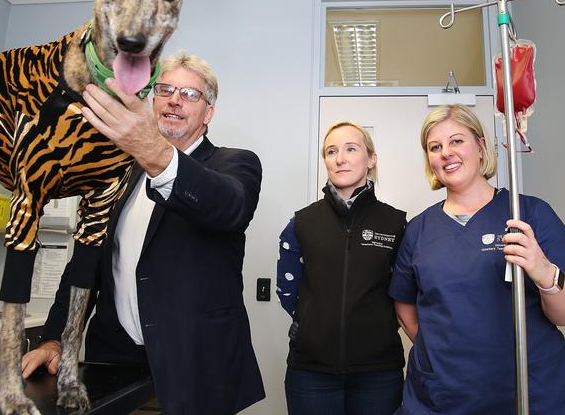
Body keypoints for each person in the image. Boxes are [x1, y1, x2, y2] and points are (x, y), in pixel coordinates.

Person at [22, 51, 266, 414]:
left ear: (208, 113)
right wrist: (56, 337)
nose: (174, 100)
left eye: (190, 94)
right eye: (165, 89)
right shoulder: (115, 176)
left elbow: (229, 207)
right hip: (117, 361)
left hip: (196, 363)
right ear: (153, 101)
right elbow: (84, 266)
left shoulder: (235, 163)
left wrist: (155, 152)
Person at [389, 104, 565, 414]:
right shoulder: (418, 230)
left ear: (481, 147)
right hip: (443, 398)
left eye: (457, 141)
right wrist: (448, 357)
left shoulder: (529, 214)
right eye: (435, 146)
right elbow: (406, 312)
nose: (446, 152)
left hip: (529, 394)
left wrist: (543, 270)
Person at [276, 121, 407, 415]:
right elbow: (287, 291)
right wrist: (313, 326)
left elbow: (405, 291)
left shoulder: (396, 223)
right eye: (331, 151)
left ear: (371, 159)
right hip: (311, 372)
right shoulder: (302, 222)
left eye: (351, 148)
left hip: (378, 372)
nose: (340, 158)